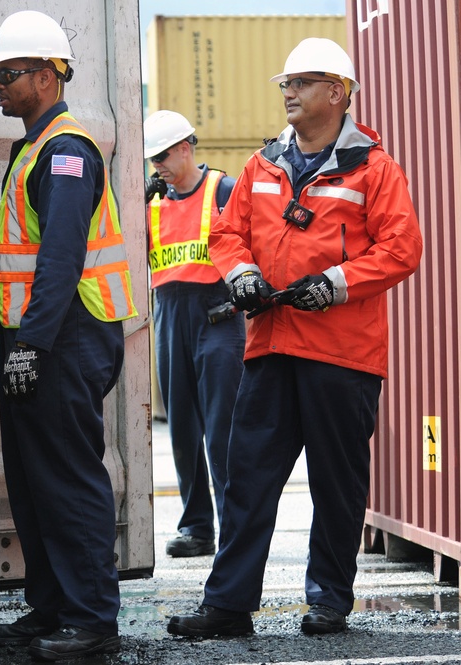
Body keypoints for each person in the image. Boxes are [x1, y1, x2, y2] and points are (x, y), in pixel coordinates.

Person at [168, 37, 422, 638]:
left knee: (337, 484)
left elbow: (402, 249)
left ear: (337, 93)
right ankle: (228, 605)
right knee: (248, 477)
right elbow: (227, 234)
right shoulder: (263, 165)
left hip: (343, 354)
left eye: (301, 82)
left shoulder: (376, 170)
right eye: (286, 82)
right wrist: (244, 275)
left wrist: (333, 284)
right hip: (271, 345)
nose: (288, 91)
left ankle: (329, 600)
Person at [0, 10, 137, 661]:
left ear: (45, 75)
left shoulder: (65, 151)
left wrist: (30, 345)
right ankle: (50, 608)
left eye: (8, 73)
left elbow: (62, 258)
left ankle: (91, 617)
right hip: (42, 338)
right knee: (35, 480)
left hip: (63, 339)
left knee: (67, 480)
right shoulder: (38, 146)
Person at [143, 110, 245, 558]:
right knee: (181, 428)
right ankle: (197, 528)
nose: (156, 166)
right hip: (169, 316)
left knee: (222, 429)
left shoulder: (223, 190)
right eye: (151, 160)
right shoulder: (149, 201)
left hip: (217, 317)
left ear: (186, 147)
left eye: (161, 156)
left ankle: (234, 527)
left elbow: (253, 246)